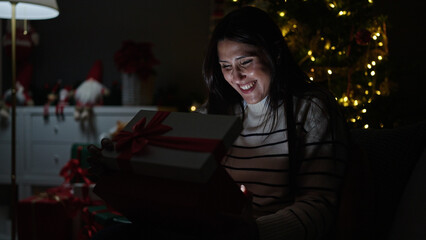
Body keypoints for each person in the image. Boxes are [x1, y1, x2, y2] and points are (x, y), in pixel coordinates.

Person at [89, 6, 349, 240]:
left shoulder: (311, 110)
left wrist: (255, 232)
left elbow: (319, 204)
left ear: (275, 53)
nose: (236, 77)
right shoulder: (213, 114)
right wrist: (117, 168)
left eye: (245, 62)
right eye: (225, 66)